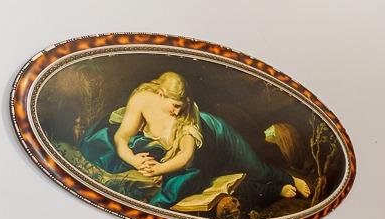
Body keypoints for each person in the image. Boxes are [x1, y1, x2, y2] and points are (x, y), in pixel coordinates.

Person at [81, 70, 305, 211]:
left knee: (255, 169)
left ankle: (288, 178)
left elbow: (186, 157)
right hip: (188, 151)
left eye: (182, 105)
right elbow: (121, 137)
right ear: (160, 95)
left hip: (218, 135)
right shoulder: (142, 99)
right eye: (174, 106)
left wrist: (159, 168)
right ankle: (276, 189)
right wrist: (133, 160)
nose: (178, 111)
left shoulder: (187, 116)